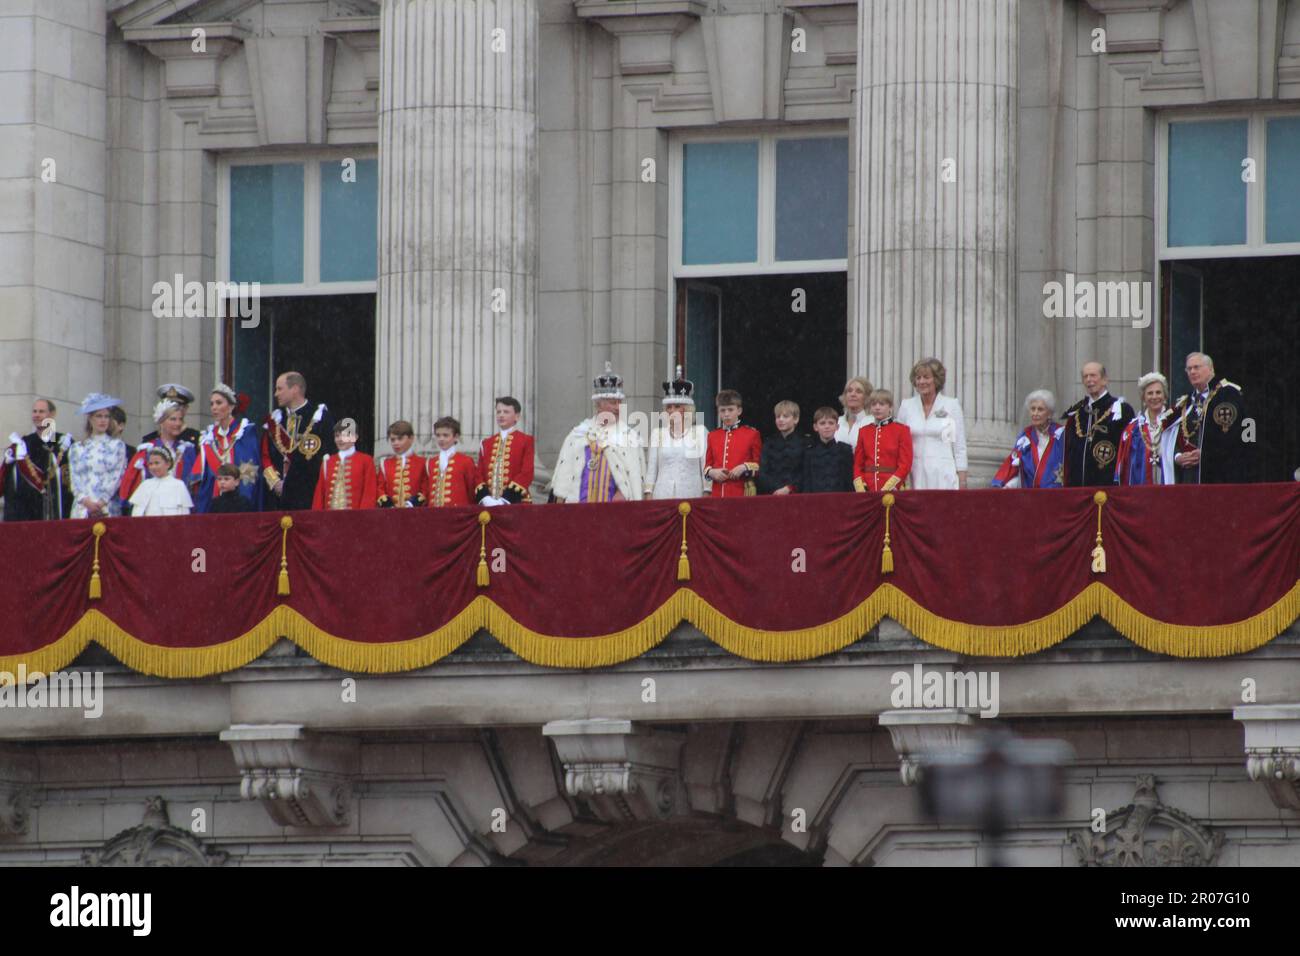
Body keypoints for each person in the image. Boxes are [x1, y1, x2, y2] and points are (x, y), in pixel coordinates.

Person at [551, 363, 645, 502]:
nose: (618, 408)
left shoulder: (630, 437)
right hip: (578, 508)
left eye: (620, 403)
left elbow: (634, 476)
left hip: (614, 509)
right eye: (613, 403)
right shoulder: (578, 434)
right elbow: (564, 477)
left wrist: (623, 492)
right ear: (599, 405)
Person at [1171, 352, 1252, 484]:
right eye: (1189, 369)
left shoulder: (1228, 394)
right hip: (1189, 476)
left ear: (1210, 368)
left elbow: (1240, 435)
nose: (1192, 371)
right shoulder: (1185, 402)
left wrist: (1206, 454)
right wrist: (1178, 457)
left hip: (1220, 475)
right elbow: (1171, 436)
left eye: (1196, 367)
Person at [262, 371, 336, 510]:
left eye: (279, 389)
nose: (275, 394)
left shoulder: (319, 417)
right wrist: (276, 482)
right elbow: (265, 456)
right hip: (279, 499)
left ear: (295, 389)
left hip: (310, 495)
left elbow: (329, 455)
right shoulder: (275, 420)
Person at [897, 357, 968, 489]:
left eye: (926, 377)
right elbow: (898, 444)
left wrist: (962, 481)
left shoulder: (950, 405)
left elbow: (959, 446)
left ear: (936, 379)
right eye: (918, 378)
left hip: (943, 473)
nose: (921, 381)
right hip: (914, 474)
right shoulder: (906, 406)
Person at [1060, 362, 1135, 487]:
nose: (1089, 380)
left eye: (1093, 375)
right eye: (1085, 376)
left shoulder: (1121, 410)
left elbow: (1128, 450)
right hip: (1077, 488)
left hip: (1108, 485)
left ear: (1105, 380)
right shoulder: (1076, 414)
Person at [191, 384, 262, 513]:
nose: (214, 408)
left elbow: (249, 471)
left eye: (219, 403)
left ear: (231, 406)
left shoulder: (245, 432)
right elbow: (204, 476)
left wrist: (242, 502)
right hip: (215, 502)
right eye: (212, 404)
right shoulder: (209, 437)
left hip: (239, 501)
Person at [1, 397, 73, 521]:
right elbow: (10, 482)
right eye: (34, 411)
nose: (37, 415)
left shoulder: (64, 443)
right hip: (29, 513)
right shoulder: (24, 445)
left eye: (41, 411)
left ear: (52, 414)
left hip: (59, 512)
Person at [644, 368, 708, 500]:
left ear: (688, 409)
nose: (672, 410)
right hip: (662, 497)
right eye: (669, 407)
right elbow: (651, 470)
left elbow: (705, 468)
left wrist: (707, 492)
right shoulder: (658, 434)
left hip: (692, 497)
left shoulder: (700, 432)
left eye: (677, 406)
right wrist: (648, 494)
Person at [118, 399, 197, 505]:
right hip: (152, 505)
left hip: (179, 505)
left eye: (180, 419)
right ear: (161, 421)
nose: (178, 423)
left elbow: (194, 485)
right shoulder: (147, 450)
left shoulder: (187, 450)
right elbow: (130, 481)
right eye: (173, 419)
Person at [991, 390, 1066, 489]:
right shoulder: (1025, 436)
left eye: (1040, 409)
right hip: (1030, 497)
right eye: (1032, 409)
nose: (1035, 413)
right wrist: (1005, 485)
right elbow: (1013, 467)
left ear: (1049, 413)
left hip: (1057, 495)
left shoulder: (1061, 434)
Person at [69, 393, 128, 519]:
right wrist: (86, 502)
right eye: (99, 416)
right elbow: (75, 479)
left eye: (106, 416)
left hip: (107, 507)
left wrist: (101, 502)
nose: (103, 420)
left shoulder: (117, 446)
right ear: (90, 419)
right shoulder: (77, 448)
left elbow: (117, 477)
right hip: (82, 509)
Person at [1115, 373, 1177, 486]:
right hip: (1140, 490)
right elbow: (1124, 466)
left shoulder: (1174, 424)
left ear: (1165, 396)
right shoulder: (1133, 429)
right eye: (1150, 393)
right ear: (1143, 398)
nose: (1154, 397)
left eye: (1158, 392)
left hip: (1170, 488)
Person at [475, 396, 536, 506]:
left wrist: (506, 499)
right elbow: (479, 473)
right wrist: (485, 498)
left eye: (506, 412)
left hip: (517, 503)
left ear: (516, 416)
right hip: (488, 504)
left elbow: (526, 473)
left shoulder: (526, 440)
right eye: (498, 412)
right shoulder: (486, 443)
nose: (501, 415)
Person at [705, 389, 762, 498]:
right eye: (722, 410)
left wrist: (744, 467)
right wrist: (712, 472)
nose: (726, 414)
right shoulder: (712, 435)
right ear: (718, 412)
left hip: (741, 494)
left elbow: (760, 466)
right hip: (718, 493)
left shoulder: (752, 434)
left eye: (730, 410)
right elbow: (707, 466)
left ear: (739, 411)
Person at [853, 389, 912, 492]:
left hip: (893, 487)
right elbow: (858, 464)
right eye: (874, 404)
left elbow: (905, 463)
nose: (877, 407)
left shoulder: (902, 430)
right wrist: (861, 486)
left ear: (890, 407)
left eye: (882, 404)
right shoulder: (864, 431)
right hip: (868, 488)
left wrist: (890, 485)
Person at [311, 419, 377, 510]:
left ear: (355, 437)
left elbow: (369, 492)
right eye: (337, 436)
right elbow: (320, 493)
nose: (340, 439)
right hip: (329, 520)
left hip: (356, 519)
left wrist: (363, 517)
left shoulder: (366, 460)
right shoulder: (328, 462)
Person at [425, 416, 478, 507]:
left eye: (446, 435)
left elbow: (471, 491)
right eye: (438, 435)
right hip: (433, 515)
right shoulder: (431, 462)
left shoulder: (466, 461)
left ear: (456, 437)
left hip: (458, 514)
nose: (441, 439)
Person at [757, 400, 805, 496]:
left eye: (785, 416)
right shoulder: (769, 443)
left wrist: (790, 488)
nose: (780, 419)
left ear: (796, 419)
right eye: (778, 416)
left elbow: (806, 472)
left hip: (797, 495)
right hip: (772, 494)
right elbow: (763, 471)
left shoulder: (805, 443)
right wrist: (776, 489)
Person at [376, 420, 428, 508]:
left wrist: (412, 503)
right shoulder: (385, 463)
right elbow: (380, 488)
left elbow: (426, 488)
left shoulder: (423, 462)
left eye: (400, 439)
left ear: (411, 438)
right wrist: (388, 504)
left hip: (416, 513)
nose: (396, 443)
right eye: (393, 440)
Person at [128, 447, 193, 517]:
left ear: (168, 464)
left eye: (157, 463)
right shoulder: (145, 485)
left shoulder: (178, 485)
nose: (153, 467)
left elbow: (184, 513)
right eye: (150, 464)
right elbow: (136, 512)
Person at [802, 407, 854, 493]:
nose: (827, 426)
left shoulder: (845, 450)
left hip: (840, 500)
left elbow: (849, 481)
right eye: (822, 423)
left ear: (837, 427)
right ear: (815, 427)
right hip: (816, 501)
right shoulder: (809, 452)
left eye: (831, 423)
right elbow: (807, 482)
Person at [834, 376, 874, 449]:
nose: (853, 394)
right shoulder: (836, 422)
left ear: (867, 397)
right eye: (849, 391)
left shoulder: (872, 423)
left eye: (858, 391)